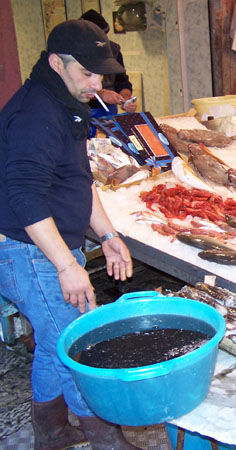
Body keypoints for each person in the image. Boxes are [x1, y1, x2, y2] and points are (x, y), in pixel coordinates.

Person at [0, 20, 138, 449]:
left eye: (101, 76)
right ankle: (105, 440)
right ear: (57, 63)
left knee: (53, 340)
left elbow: (80, 180)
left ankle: (52, 431)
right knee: (77, 346)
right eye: (88, 74)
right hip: (27, 251)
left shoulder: (66, 101)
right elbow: (25, 198)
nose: (96, 85)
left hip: (55, 245)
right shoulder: (34, 115)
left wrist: (108, 235)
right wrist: (66, 265)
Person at [80, 9, 138, 115]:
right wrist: (101, 94)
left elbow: (122, 81)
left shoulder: (113, 50)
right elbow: (73, 88)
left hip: (109, 110)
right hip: (83, 111)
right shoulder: (74, 54)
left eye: (103, 35)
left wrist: (125, 98)